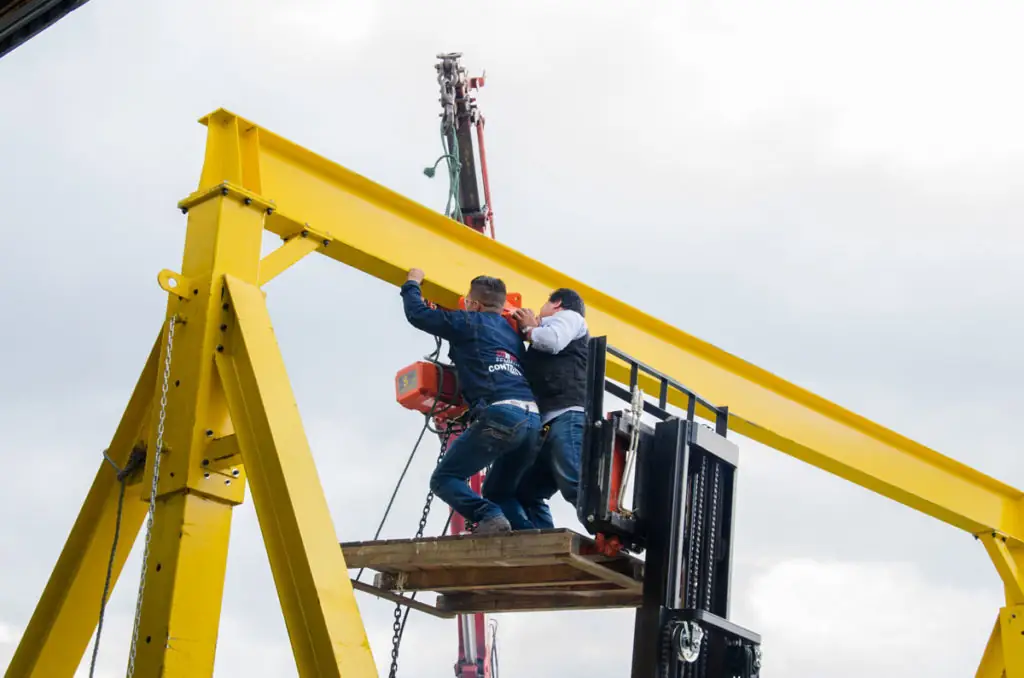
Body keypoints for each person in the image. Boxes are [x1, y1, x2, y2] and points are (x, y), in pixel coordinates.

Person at [400, 268, 542, 534]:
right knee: (499, 490)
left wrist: (412, 283)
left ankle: (488, 515)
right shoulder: (512, 334)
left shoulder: (466, 322)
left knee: (444, 479)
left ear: (473, 304)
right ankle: (528, 534)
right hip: (533, 421)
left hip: (502, 413)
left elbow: (418, 314)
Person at [512, 288, 589, 529]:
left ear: (557, 304)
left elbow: (553, 341)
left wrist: (529, 328)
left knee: (575, 482)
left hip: (567, 414)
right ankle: (543, 538)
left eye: (546, 302)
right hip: (548, 422)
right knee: (526, 490)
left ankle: (610, 538)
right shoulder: (547, 331)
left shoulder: (570, 317)